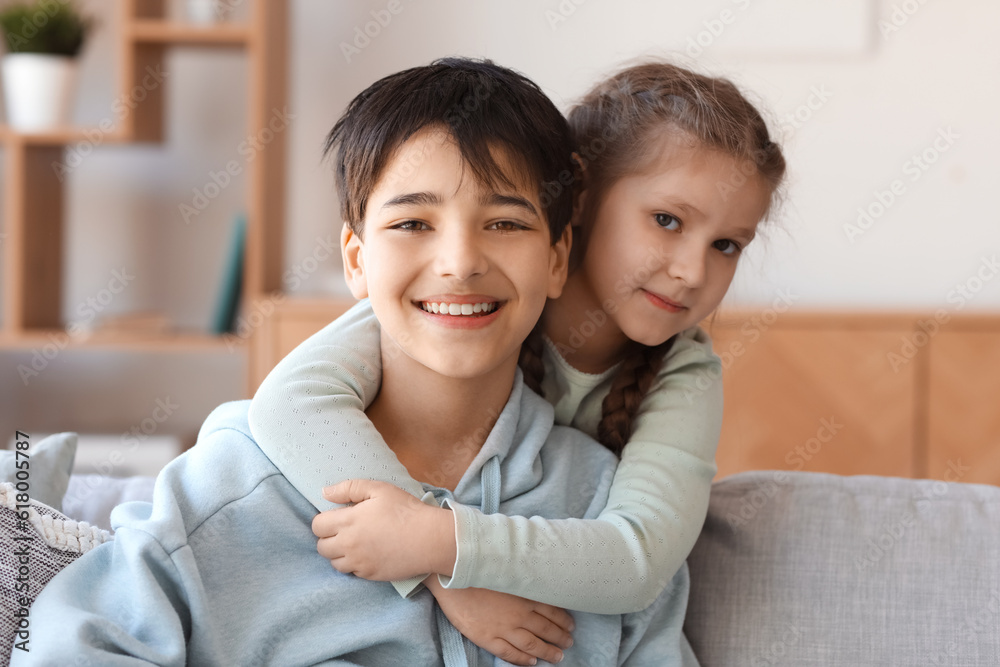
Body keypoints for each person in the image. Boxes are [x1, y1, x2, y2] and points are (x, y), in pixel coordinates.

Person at [15, 58, 700, 666]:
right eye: (412, 223)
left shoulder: (599, 508)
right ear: (355, 259)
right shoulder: (237, 481)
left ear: (557, 258)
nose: (460, 262)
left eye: (506, 222)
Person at [248, 59, 787, 658]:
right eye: (667, 220)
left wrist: (445, 548)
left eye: (726, 245)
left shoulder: (684, 373)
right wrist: (442, 578)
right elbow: (289, 401)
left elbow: (637, 563)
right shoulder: (468, 305)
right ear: (576, 197)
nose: (692, 270)